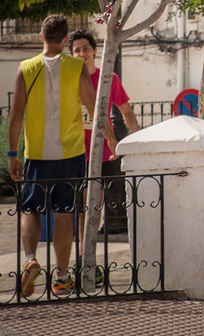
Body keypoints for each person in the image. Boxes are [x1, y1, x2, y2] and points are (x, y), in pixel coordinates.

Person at [7, 14, 108, 298]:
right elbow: (93, 106)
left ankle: (30, 258)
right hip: (71, 152)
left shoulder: (26, 67)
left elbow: (16, 116)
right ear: (66, 41)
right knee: (64, 212)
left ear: (41, 37)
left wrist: (13, 154)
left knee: (30, 208)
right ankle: (62, 277)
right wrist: (110, 140)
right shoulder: (77, 67)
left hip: (36, 153)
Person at [69, 30, 139, 248]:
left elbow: (126, 112)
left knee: (94, 207)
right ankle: (83, 256)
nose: (82, 54)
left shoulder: (108, 78)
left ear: (95, 50)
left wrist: (135, 142)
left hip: (102, 152)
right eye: (77, 50)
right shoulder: (67, 80)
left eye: (86, 49)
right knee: (83, 208)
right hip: (75, 151)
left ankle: (87, 254)